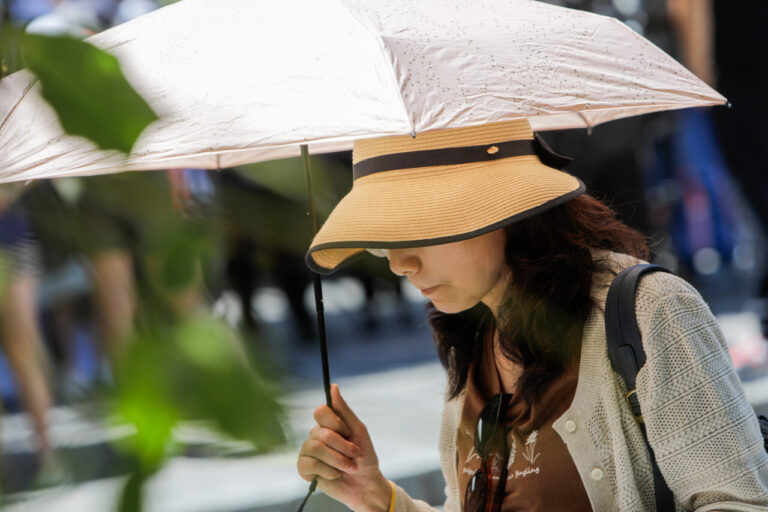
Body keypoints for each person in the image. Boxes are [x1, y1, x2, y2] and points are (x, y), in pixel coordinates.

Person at [296, 119, 768, 511]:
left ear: (503, 205)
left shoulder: (650, 309)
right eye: (384, 241)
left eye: (420, 227)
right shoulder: (473, 333)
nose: (400, 264)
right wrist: (379, 497)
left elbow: (738, 502)